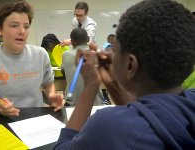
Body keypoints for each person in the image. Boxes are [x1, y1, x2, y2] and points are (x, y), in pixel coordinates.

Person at [53, 0, 195, 149]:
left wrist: (91, 83)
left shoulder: (108, 125)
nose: (108, 53)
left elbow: (62, 147)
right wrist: (112, 84)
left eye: (114, 48)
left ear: (130, 64)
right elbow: (148, 116)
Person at [0, 1, 65, 117]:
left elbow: (48, 84)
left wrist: (52, 96)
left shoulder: (40, 55)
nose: (22, 31)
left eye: (26, 26)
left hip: (35, 119)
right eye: (14, 25)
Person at [61, 27, 104, 106]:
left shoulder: (65, 55)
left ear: (72, 42)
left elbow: (63, 71)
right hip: (96, 104)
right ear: (88, 39)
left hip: (73, 104)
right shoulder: (98, 54)